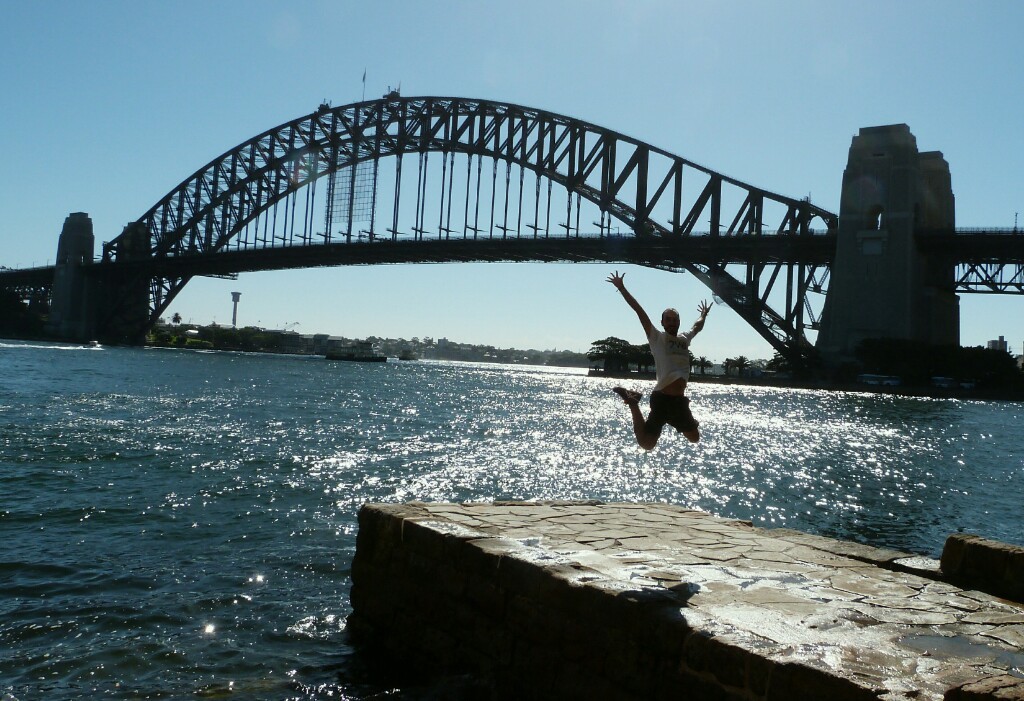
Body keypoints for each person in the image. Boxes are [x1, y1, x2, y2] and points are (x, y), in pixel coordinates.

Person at [606, 270, 711, 450]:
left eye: (675, 320)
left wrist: (703, 315)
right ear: (662, 322)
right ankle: (633, 402)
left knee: (694, 438)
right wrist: (622, 288)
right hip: (661, 399)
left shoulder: (684, 338)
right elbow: (640, 311)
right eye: (668, 320)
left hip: (678, 401)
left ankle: (672, 419)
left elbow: (697, 327)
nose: (671, 322)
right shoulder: (657, 338)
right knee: (646, 444)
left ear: (678, 322)